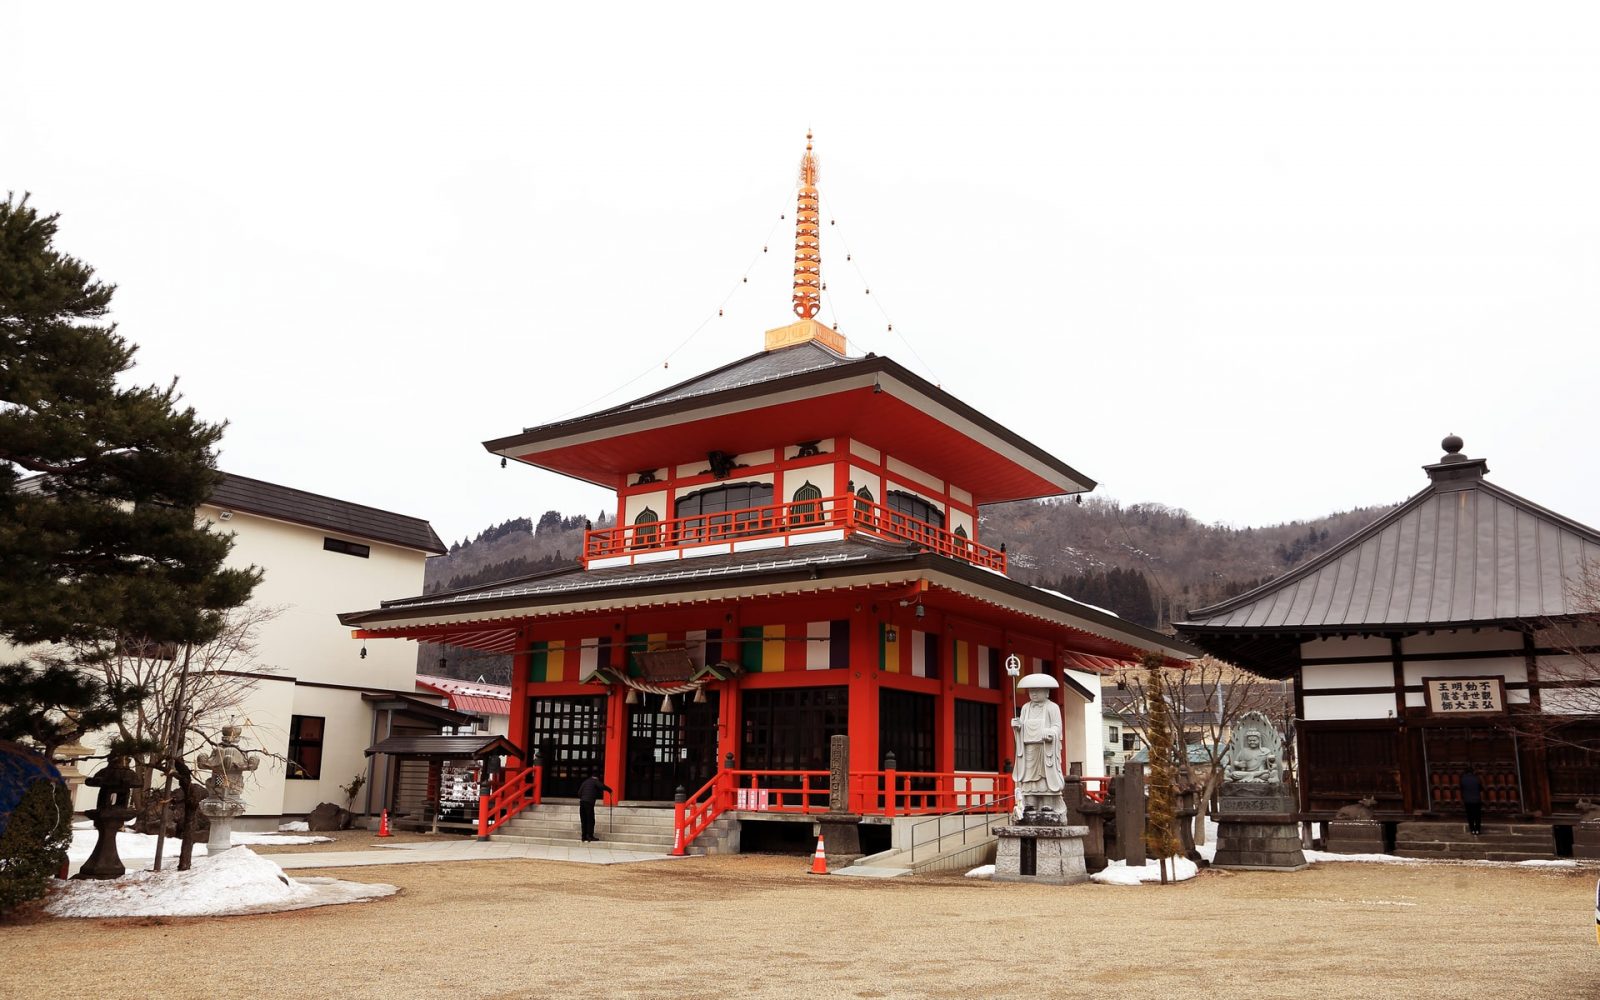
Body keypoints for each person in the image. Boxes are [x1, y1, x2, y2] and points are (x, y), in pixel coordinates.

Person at [1011, 675, 1065, 822]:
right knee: (1028, 774)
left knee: (1045, 774)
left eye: (1037, 690)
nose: (1033, 694)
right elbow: (1021, 726)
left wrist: (1050, 733)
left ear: (1046, 692)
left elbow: (1057, 726)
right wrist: (1017, 727)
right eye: (1031, 691)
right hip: (1028, 746)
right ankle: (1030, 802)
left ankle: (1047, 803)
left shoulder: (1052, 707)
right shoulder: (1026, 708)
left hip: (1045, 747)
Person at [578, 773, 612, 842]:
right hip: (589, 803)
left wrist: (584, 797)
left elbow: (579, 793)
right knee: (590, 820)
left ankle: (583, 836)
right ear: (596, 778)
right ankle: (590, 836)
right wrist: (610, 790)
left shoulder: (585, 782)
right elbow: (602, 786)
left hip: (582, 802)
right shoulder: (595, 781)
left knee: (584, 819)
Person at [1460, 766, 1484, 836]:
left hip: (1467, 800)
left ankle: (1472, 829)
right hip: (1477, 800)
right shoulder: (1477, 779)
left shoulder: (1463, 779)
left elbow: (1462, 790)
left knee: (1470, 815)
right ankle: (1478, 830)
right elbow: (1481, 789)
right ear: (1473, 772)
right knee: (1477, 815)